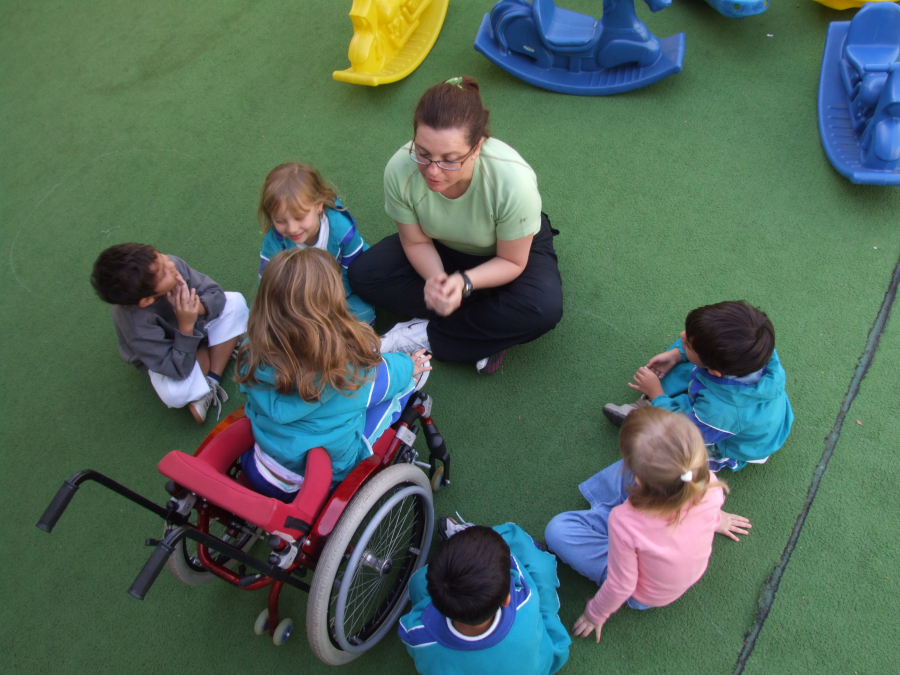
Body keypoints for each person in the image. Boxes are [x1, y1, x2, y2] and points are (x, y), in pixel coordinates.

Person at [347, 75, 563, 374]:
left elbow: (512, 260)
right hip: (440, 245)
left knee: (543, 309)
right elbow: (415, 241)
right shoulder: (399, 169)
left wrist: (463, 283)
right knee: (364, 275)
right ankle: (489, 328)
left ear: (477, 148)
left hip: (503, 251)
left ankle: (420, 335)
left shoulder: (514, 182)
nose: (433, 170)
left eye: (450, 159)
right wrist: (437, 281)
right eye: (423, 153)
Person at [235, 248, 431, 500]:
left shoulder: (252, 351)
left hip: (265, 456)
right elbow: (378, 380)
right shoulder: (338, 367)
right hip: (323, 472)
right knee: (400, 385)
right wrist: (407, 365)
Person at [545, 407, 751, 643]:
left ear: (640, 481)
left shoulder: (624, 521)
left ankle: (602, 503)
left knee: (557, 530)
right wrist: (718, 520)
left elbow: (621, 585)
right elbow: (709, 511)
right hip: (668, 562)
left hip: (641, 594)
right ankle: (610, 499)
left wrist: (595, 615)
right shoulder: (708, 483)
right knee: (642, 463)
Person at [602, 300, 794, 471]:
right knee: (690, 364)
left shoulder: (720, 412)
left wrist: (656, 394)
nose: (681, 335)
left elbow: (688, 433)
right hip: (738, 407)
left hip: (735, 442)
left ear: (715, 371)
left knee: (677, 456)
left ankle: (653, 406)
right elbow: (701, 352)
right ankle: (658, 401)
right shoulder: (754, 349)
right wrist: (678, 353)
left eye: (688, 344)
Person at [91, 243, 248, 424]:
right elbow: (175, 369)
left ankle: (211, 378)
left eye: (160, 255)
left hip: (195, 324)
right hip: (169, 355)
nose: (170, 265)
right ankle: (218, 348)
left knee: (236, 302)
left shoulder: (170, 264)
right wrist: (186, 326)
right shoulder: (135, 323)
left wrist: (197, 308)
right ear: (147, 300)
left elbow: (216, 294)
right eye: (163, 273)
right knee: (174, 395)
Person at [398, 520, 571, 675]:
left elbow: (416, 628)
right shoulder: (525, 600)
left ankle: (463, 538)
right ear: (506, 599)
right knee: (516, 540)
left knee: (419, 581)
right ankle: (469, 534)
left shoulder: (418, 634)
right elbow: (512, 562)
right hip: (541, 664)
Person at [257, 162, 375, 324]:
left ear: (318, 205)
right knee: (260, 320)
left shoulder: (341, 229)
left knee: (363, 313)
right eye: (280, 220)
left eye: (299, 217)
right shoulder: (274, 241)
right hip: (300, 299)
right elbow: (267, 285)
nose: (292, 229)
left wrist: (327, 304)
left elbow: (353, 274)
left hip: (339, 291)